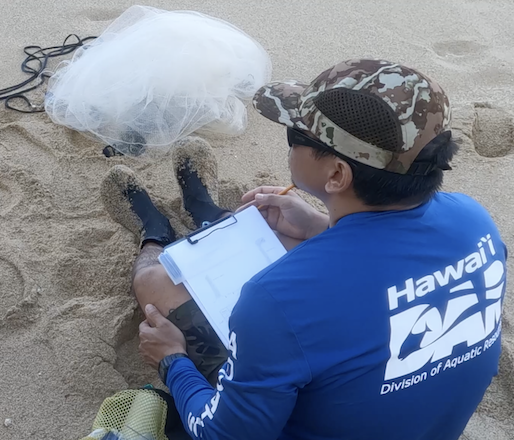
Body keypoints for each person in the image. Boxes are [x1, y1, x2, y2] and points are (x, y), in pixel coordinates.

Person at [103, 59, 507, 440]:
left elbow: (221, 434)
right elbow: (385, 276)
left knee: (157, 280)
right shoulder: (475, 221)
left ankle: (154, 236)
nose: (290, 143)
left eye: (295, 136)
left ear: (336, 173)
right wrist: (319, 225)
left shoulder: (274, 301)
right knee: (285, 234)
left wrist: (173, 361)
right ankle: (209, 215)